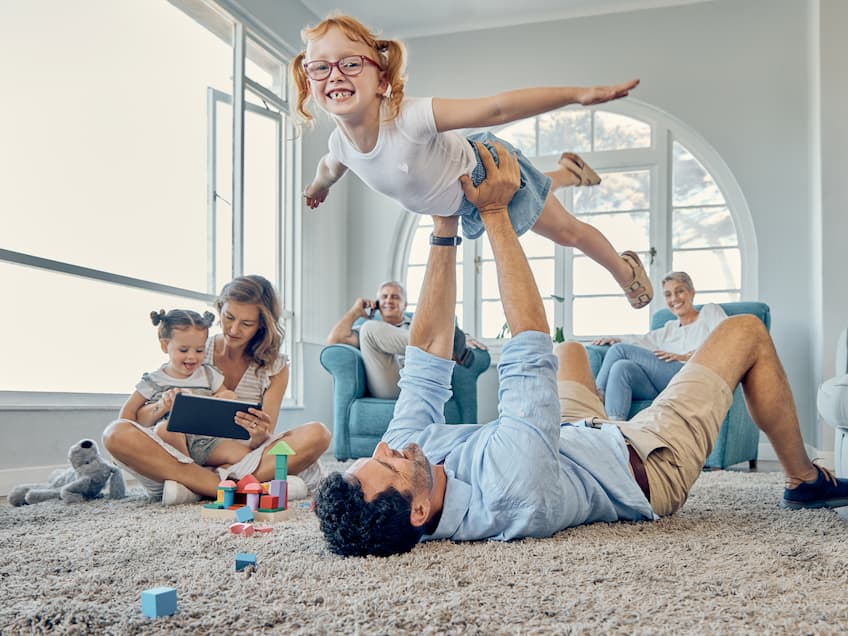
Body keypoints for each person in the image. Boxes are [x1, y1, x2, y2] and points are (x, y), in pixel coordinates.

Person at [314, 142, 848, 558]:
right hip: (645, 461)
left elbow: (427, 358)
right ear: (421, 511)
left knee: (572, 353)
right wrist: (495, 213)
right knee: (746, 330)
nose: (390, 448)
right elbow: (526, 347)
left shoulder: (405, 466)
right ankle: (804, 479)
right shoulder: (508, 489)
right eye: (388, 464)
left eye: (374, 455)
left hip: (575, 440)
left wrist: (444, 223)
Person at [291, 13, 653, 310]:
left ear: (382, 80)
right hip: (461, 200)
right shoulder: (340, 144)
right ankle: (569, 174)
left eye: (351, 64)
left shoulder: (410, 117)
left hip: (484, 171)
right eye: (319, 67)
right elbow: (329, 169)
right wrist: (317, 189)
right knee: (541, 199)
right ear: (308, 82)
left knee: (566, 233)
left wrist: (577, 95)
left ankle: (626, 271)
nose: (335, 74)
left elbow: (496, 108)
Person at [103, 275, 331, 505]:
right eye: (229, 317)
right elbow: (140, 414)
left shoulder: (275, 367)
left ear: (262, 324)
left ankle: (195, 487)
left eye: (246, 323)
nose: (233, 329)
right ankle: (219, 485)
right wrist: (164, 404)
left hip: (236, 455)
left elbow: (263, 437)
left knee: (317, 434)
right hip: (177, 455)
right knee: (115, 434)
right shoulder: (196, 347)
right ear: (220, 308)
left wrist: (259, 432)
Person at [124, 308, 252, 466]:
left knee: (246, 456)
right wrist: (162, 406)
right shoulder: (155, 380)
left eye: (199, 350)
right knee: (165, 429)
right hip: (169, 446)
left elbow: (226, 396)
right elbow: (132, 415)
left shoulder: (209, 374)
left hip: (206, 443)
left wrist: (228, 397)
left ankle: (203, 475)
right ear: (165, 346)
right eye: (183, 350)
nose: (192, 356)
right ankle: (189, 473)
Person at [591, 271, 727, 419]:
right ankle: (613, 430)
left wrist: (686, 356)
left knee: (619, 350)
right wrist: (613, 337)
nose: (674, 298)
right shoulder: (669, 328)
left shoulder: (709, 312)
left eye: (680, 291)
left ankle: (592, 400)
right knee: (622, 367)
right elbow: (639, 340)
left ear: (691, 293)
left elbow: (727, 339)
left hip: (691, 376)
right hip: (666, 385)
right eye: (668, 295)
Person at [327, 280, 485, 399]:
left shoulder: (419, 328)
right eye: (384, 297)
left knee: (432, 324)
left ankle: (445, 343)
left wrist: (464, 337)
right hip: (389, 385)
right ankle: (443, 345)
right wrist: (355, 312)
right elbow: (334, 340)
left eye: (395, 297)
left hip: (418, 382)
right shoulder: (366, 332)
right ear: (377, 304)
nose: (389, 300)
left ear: (405, 305)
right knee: (369, 329)